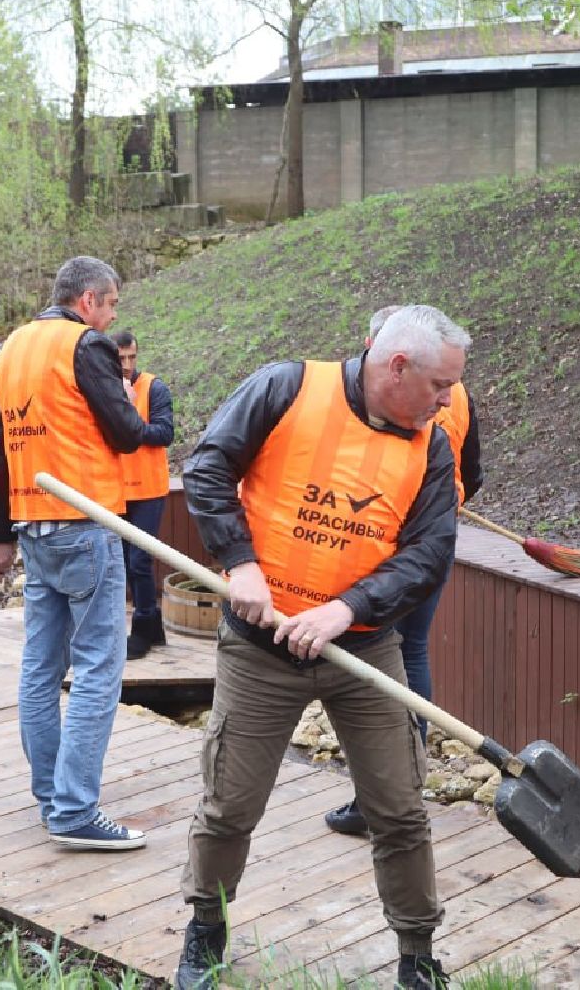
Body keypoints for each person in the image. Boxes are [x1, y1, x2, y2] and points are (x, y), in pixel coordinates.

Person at [174, 305, 468, 990]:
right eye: (439, 386)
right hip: (260, 651)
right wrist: (237, 561)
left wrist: (347, 610)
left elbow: (429, 552)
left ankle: (418, 956)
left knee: (399, 811)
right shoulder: (284, 388)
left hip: (363, 654)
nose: (448, 400)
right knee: (229, 805)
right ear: (397, 367)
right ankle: (204, 932)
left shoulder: (430, 446)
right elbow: (209, 465)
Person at [0, 256, 149, 852]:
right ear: (87, 302)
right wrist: (127, 394)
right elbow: (127, 433)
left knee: (40, 666)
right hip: (87, 522)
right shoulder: (87, 347)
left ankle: (52, 796)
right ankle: (76, 809)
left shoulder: (10, 351)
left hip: (34, 525)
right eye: (109, 305)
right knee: (100, 668)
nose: (110, 318)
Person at [325, 306, 483, 838]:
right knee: (412, 652)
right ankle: (403, 786)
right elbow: (475, 473)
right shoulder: (459, 394)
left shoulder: (405, 401)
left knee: (382, 658)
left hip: (387, 551)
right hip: (437, 542)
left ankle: (382, 792)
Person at [112, 329, 176, 660]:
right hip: (114, 490)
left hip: (148, 489)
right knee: (125, 563)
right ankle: (152, 627)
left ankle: (142, 627)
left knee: (139, 560)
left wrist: (131, 424)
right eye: (120, 358)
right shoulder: (103, 390)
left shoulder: (153, 387)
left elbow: (165, 433)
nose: (126, 365)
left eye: (131, 357)